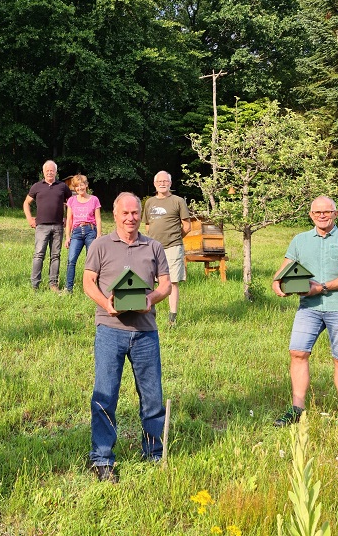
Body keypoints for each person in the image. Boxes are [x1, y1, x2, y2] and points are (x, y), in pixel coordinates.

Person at [83, 192, 172, 482]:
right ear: (115, 213)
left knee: (152, 397)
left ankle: (153, 452)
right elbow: (88, 282)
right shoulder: (100, 245)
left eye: (135, 213)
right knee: (105, 395)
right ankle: (102, 458)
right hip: (110, 331)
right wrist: (105, 304)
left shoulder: (153, 246)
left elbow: (167, 285)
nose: (131, 218)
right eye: (126, 213)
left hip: (146, 332)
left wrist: (152, 299)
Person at [271, 195, 338, 427]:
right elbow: (283, 270)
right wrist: (277, 283)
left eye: (327, 212)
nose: (322, 215)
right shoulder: (300, 240)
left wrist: (322, 287)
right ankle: (297, 410)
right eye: (317, 212)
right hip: (309, 308)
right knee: (297, 353)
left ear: (335, 214)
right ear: (311, 215)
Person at [143, 171, 191, 326]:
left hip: (173, 247)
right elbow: (147, 226)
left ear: (170, 183)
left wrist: (176, 238)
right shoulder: (150, 202)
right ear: (154, 184)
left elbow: (187, 226)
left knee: (172, 281)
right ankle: (149, 312)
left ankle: (172, 317)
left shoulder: (177, 201)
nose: (162, 183)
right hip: (153, 248)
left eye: (165, 181)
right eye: (159, 181)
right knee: (150, 281)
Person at [23, 160, 71, 291]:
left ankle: (53, 284)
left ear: (56, 172)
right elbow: (26, 203)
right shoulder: (37, 186)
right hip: (41, 226)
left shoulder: (62, 186)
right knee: (39, 254)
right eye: (47, 170)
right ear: (43, 172)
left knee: (55, 255)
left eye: (52, 170)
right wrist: (29, 219)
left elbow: (71, 203)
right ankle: (35, 285)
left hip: (58, 226)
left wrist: (68, 217)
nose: (50, 172)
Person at [64, 174, 102, 294]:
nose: (79, 188)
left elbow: (98, 219)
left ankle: (92, 289)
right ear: (74, 188)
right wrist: (67, 237)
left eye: (82, 185)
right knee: (71, 260)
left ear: (86, 185)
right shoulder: (71, 201)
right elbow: (69, 219)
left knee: (91, 261)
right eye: (77, 186)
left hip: (90, 231)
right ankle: (68, 288)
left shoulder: (94, 200)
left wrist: (99, 235)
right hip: (76, 232)